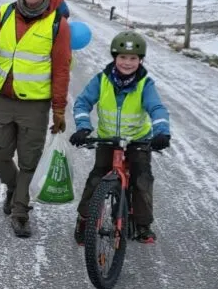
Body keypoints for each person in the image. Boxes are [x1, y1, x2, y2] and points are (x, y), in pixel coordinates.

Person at [0, 0, 72, 238]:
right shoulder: (2, 14)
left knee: (29, 160)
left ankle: (20, 211)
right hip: (4, 98)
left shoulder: (57, 25)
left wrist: (59, 109)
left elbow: (61, 69)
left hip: (35, 106)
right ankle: (15, 189)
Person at [69, 30, 170, 244]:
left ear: (140, 60)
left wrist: (162, 132)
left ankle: (142, 224)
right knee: (97, 178)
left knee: (142, 179)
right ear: (115, 58)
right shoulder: (102, 80)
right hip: (108, 139)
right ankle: (85, 219)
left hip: (138, 140)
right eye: (123, 57)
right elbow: (82, 103)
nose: (127, 63)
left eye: (133, 58)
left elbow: (157, 108)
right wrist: (83, 128)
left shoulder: (145, 84)